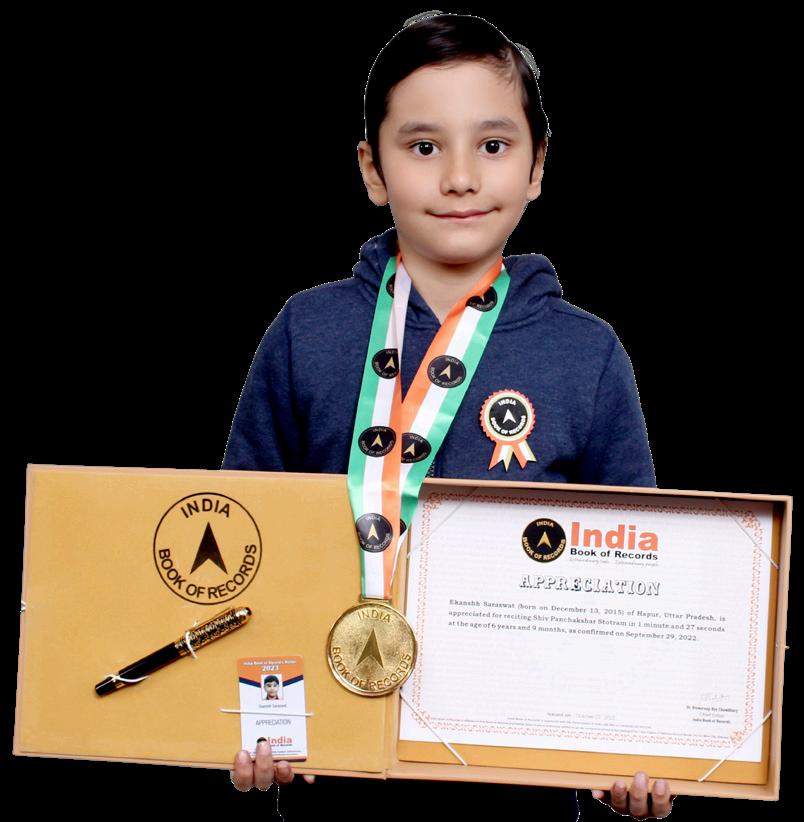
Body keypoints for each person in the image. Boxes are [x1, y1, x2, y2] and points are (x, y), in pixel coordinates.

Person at [222, 11, 676, 820]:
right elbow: (239, 542)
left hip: (521, 789)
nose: (461, 177)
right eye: (424, 147)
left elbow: (638, 580)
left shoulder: (589, 354)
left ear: (538, 164)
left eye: (493, 145)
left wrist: (635, 747)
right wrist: (249, 725)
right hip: (332, 776)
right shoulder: (305, 332)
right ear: (372, 169)